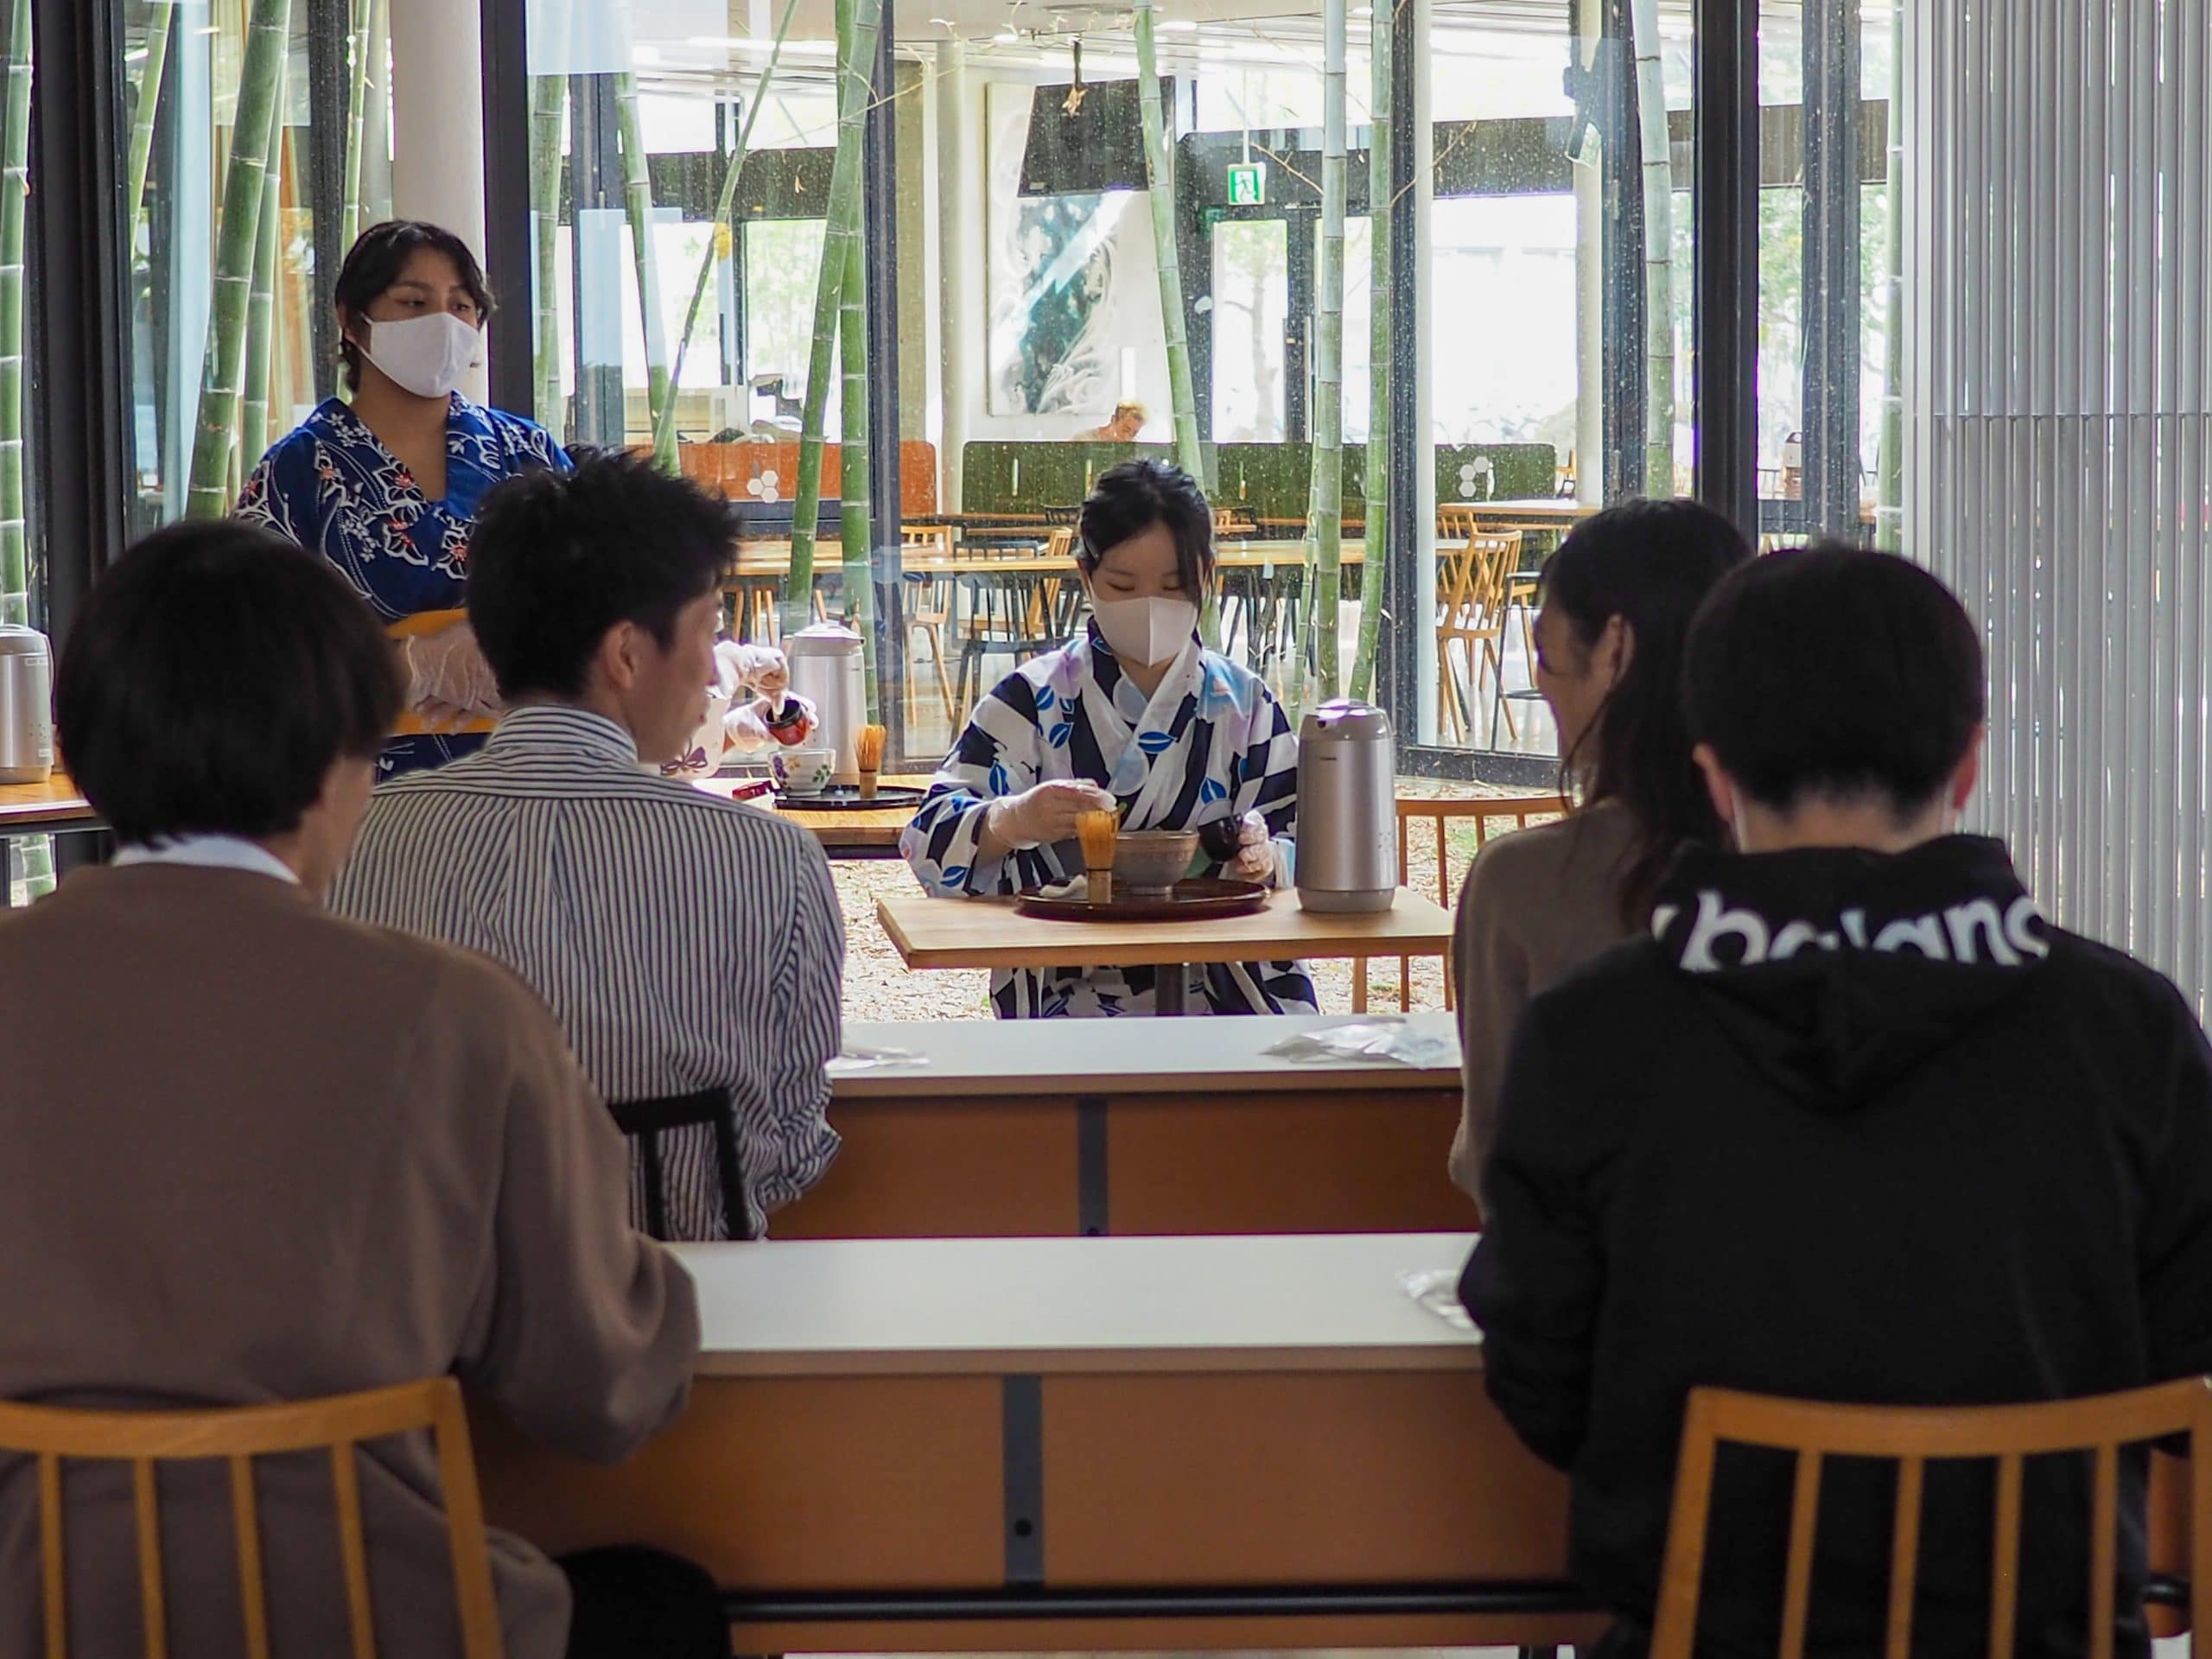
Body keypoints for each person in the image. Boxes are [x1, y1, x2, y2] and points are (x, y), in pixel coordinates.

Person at [1459, 544, 2212, 1659]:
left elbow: (1538, 1372)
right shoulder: (2128, 1029)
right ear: (1966, 765)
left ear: (1715, 776)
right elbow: (2184, 1348)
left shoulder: (1598, 1032)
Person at [0, 519, 715, 1658]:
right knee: (666, 1607)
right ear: (345, 758)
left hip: (34, 1616)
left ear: (83, 755)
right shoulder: (454, 1015)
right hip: (371, 1619)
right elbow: (601, 1388)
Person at [332, 452, 843, 1241]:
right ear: (629, 655)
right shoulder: (772, 861)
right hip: (690, 1327)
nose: (715, 670)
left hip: (431, 1338)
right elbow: (785, 1154)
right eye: (709, 632)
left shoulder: (354, 841)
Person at [902, 459, 1310, 1017]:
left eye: (1174, 585)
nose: (1150, 604)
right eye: (1123, 584)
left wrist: (1267, 859)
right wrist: (1013, 820)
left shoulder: (1245, 705)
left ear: (1208, 577)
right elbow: (928, 838)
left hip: (1226, 990)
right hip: (1067, 993)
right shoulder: (1032, 699)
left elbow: (1310, 847)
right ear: (1085, 575)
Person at [1449, 499, 1751, 1200]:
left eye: (1546, 652)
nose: (1543, 681)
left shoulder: (1522, 881)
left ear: (1614, 651)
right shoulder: (1796, 858)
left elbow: (1496, 1159)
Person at [237, 219, 572, 778]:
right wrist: (407, 668)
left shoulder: (527, 454)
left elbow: (613, 609)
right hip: (360, 806)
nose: (442, 323)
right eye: (413, 302)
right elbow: (244, 659)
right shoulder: (295, 475)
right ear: (351, 319)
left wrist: (521, 653)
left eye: (461, 307)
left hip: (536, 788)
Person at [1078, 402, 1147, 443]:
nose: (1127, 438)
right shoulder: (1084, 440)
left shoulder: (1133, 447)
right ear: (1113, 420)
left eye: (1133, 434)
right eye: (1125, 430)